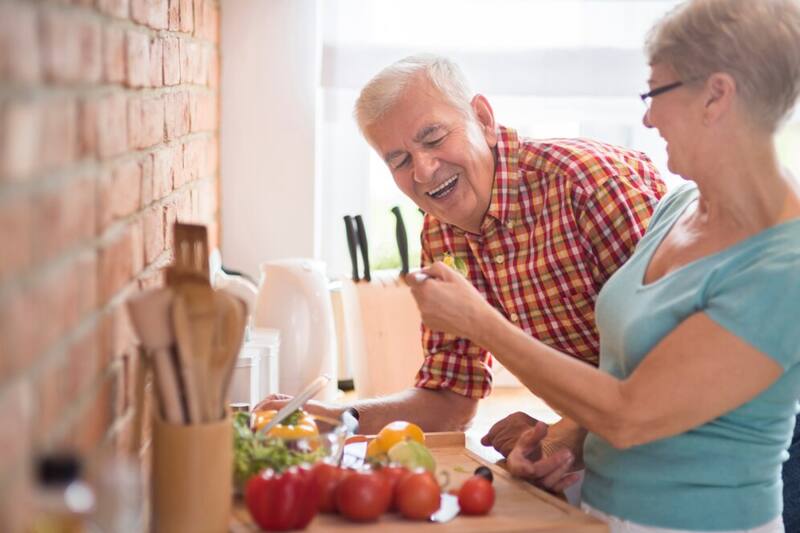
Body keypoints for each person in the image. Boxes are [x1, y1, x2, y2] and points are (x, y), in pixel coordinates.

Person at [406, 0, 800, 531]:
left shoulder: (785, 263)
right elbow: (623, 381)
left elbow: (630, 414)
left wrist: (480, 322)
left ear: (716, 95)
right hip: (601, 512)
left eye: (655, 93)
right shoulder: (677, 208)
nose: (647, 118)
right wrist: (560, 447)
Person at [255, 54, 665, 488]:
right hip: (611, 453)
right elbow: (451, 397)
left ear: (483, 119)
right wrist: (336, 417)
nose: (424, 170)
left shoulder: (589, 186)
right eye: (399, 160)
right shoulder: (440, 233)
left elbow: (669, 364)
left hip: (680, 451)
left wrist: (567, 435)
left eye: (433, 138)